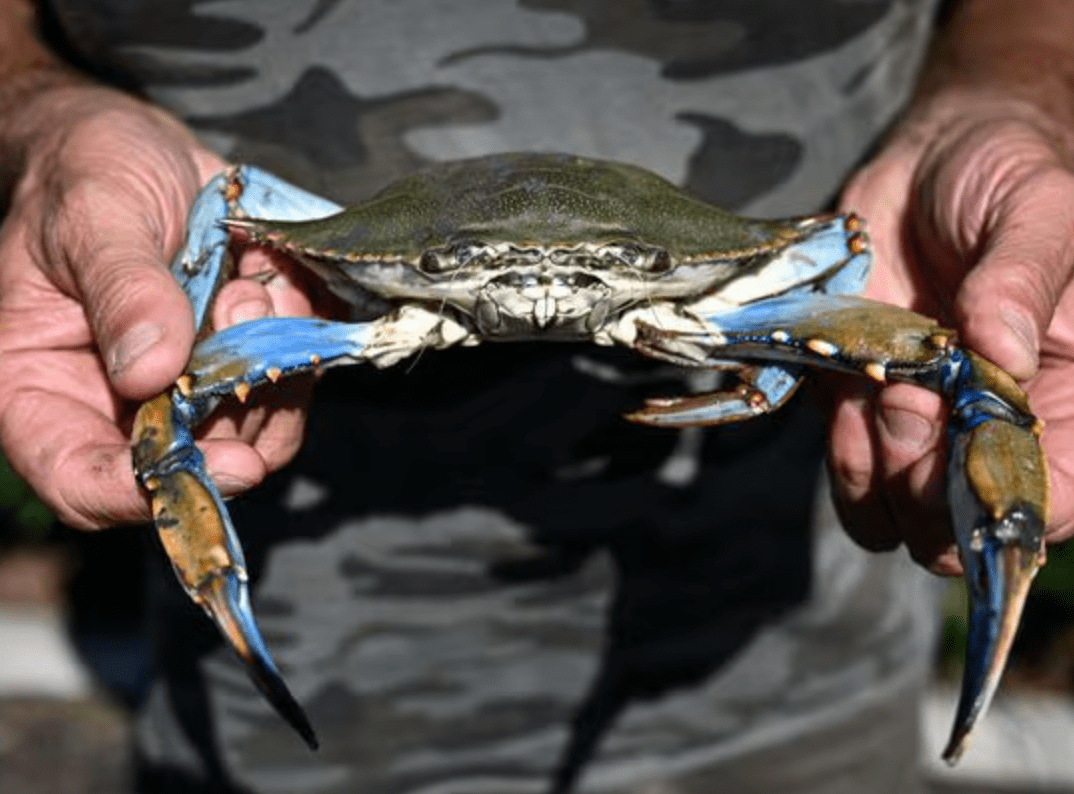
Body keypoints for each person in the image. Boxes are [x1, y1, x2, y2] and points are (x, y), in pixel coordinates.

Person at [0, 1, 1072, 792]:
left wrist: (1013, 93)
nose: (540, 296)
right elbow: (210, 248)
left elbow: (844, 243)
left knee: (967, 369)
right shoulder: (282, 246)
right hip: (264, 721)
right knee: (171, 404)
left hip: (794, 675)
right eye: (479, 269)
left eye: (611, 269)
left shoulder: (775, 267)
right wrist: (39, 121)